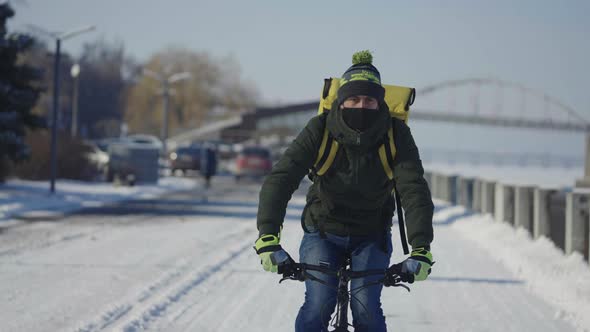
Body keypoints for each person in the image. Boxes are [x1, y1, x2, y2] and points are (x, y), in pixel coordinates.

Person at [254, 50, 434, 332]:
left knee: (367, 310)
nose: (361, 105)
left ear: (380, 103)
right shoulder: (320, 129)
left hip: (372, 233)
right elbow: (281, 179)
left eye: (369, 100)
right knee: (318, 305)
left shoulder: (396, 134)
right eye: (353, 98)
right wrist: (267, 236)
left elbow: (413, 190)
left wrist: (421, 248)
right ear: (341, 101)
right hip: (323, 230)